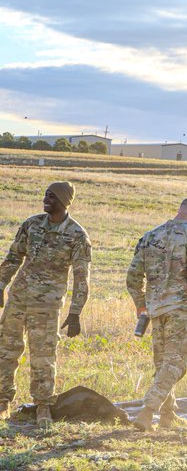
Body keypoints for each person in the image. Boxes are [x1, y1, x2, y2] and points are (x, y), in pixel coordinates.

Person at [0, 181, 91, 428]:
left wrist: (75, 313)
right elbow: (13, 257)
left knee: (43, 357)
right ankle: (3, 402)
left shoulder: (77, 235)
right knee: (6, 352)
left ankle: (43, 407)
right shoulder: (31, 224)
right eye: (45, 195)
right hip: (18, 299)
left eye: (51, 196)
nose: (45, 199)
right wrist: (1, 285)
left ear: (64, 201)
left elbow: (81, 277)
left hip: (47, 306)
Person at [127, 196, 187, 431]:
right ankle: (147, 411)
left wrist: (141, 304)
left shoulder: (151, 236)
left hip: (156, 310)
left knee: (163, 364)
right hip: (183, 310)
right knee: (176, 363)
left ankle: (167, 416)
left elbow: (132, 277)